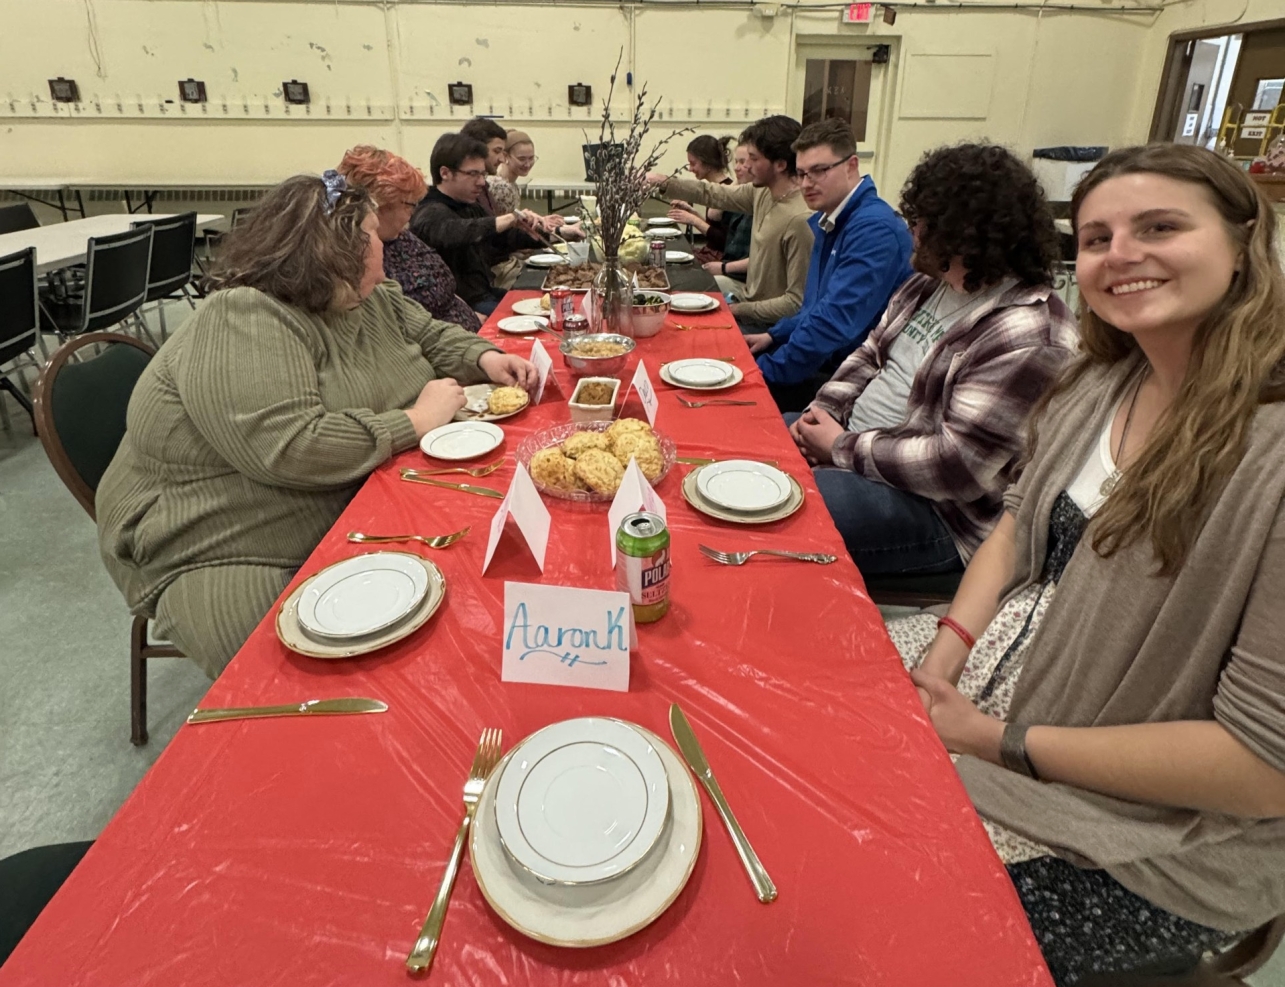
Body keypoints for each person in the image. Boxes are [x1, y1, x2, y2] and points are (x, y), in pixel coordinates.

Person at [892, 143, 1285, 985]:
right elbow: (1012, 530)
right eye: (1098, 236)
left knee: (891, 913)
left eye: (1159, 227)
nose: (1121, 255)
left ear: (1245, 241)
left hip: (1163, 838)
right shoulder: (1098, 383)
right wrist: (945, 652)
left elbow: (1261, 771)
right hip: (1013, 673)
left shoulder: (1271, 453)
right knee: (826, 715)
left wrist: (993, 740)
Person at [96, 173, 537, 677]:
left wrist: (483, 358)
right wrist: (414, 421)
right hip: (225, 539)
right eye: (375, 231)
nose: (389, 242)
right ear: (333, 249)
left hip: (352, 492)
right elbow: (290, 447)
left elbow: (431, 335)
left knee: (461, 601)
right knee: (299, 684)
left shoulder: (365, 295)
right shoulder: (244, 316)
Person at [791, 143, 1076, 575]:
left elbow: (954, 466)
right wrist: (823, 411)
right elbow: (868, 355)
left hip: (941, 513)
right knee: (761, 448)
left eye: (922, 222)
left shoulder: (1032, 334)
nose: (913, 232)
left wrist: (838, 447)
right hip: (859, 447)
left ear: (966, 232)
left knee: (793, 507)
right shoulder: (929, 284)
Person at [743, 119, 914, 412]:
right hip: (828, 360)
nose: (807, 183)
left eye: (819, 171)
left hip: (853, 380)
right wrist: (775, 334)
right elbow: (817, 308)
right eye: (801, 174)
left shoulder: (873, 228)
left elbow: (833, 323)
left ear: (851, 165)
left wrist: (766, 373)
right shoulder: (832, 218)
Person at [647, 115, 813, 328]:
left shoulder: (800, 220)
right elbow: (715, 193)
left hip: (767, 326)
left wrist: (736, 309)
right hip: (748, 306)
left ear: (780, 164)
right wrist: (666, 183)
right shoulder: (762, 192)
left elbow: (795, 303)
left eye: (753, 159)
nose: (746, 167)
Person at [336, 144, 480, 332]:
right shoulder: (362, 257)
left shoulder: (400, 237)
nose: (412, 213)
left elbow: (446, 289)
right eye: (409, 205)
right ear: (379, 205)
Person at [410, 133, 545, 316]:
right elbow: (456, 231)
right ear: (445, 173)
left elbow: (502, 239)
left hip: (486, 293)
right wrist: (508, 218)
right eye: (473, 174)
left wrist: (553, 233)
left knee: (548, 303)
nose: (482, 182)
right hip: (463, 307)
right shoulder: (429, 211)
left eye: (482, 174)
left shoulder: (469, 204)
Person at [666, 135, 740, 257]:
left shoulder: (728, 193)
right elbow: (715, 228)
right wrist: (693, 213)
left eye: (693, 164)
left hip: (719, 257)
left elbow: (725, 240)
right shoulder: (718, 188)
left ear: (708, 163)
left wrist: (693, 220)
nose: (690, 169)